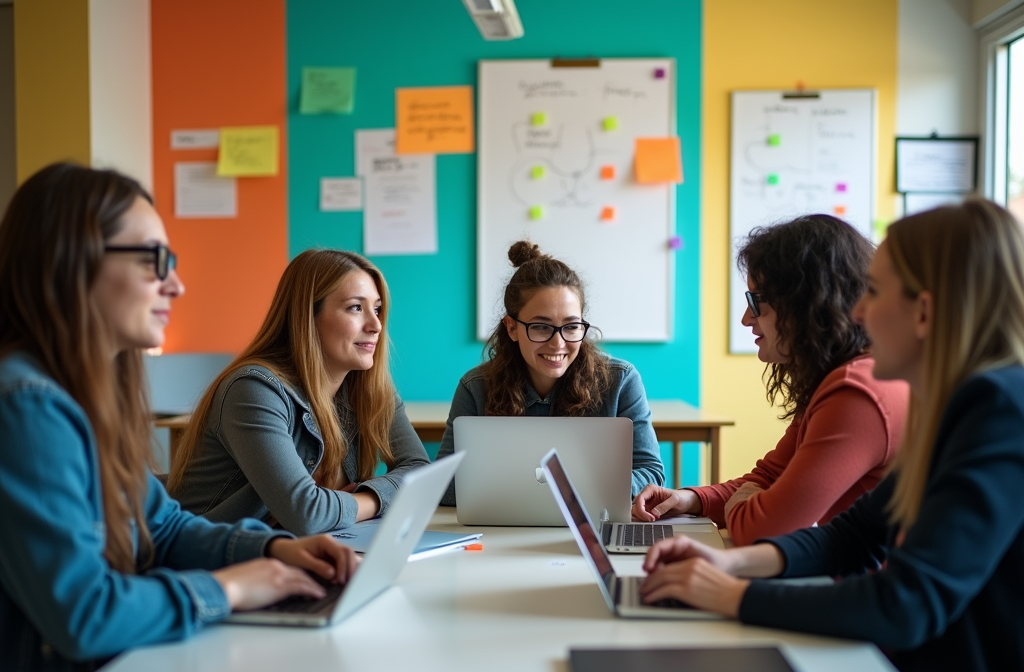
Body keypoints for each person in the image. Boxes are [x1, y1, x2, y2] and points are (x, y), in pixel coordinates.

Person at [640, 199, 1024, 672]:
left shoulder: (999, 411)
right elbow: (852, 534)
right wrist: (730, 565)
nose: (858, 312)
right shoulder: (951, 405)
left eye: (873, 292)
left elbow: (907, 602)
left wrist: (731, 596)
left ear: (924, 313)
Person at [0, 163, 358, 672]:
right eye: (153, 260)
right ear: (72, 262)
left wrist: (269, 552)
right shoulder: (25, 407)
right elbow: (83, 614)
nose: (177, 286)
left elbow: (162, 526)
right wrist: (230, 588)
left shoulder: (82, 399)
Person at [632, 215, 908, 546]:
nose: (746, 319)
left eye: (756, 302)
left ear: (806, 302)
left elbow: (765, 529)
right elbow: (769, 478)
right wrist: (691, 500)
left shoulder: (855, 392)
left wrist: (744, 504)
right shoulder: (843, 378)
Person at [167, 248, 429, 535]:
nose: (376, 325)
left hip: (294, 552)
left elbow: (420, 471)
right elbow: (307, 515)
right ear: (307, 317)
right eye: (356, 307)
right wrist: (372, 500)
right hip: (210, 562)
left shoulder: (369, 389)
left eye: (377, 308)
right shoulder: (254, 390)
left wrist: (351, 503)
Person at [436, 240, 664, 505]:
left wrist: (560, 488)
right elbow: (445, 484)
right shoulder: (476, 387)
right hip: (502, 532)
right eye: (541, 327)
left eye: (571, 326)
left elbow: (651, 475)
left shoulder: (621, 381)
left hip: (593, 527)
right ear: (511, 328)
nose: (558, 343)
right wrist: (558, 489)